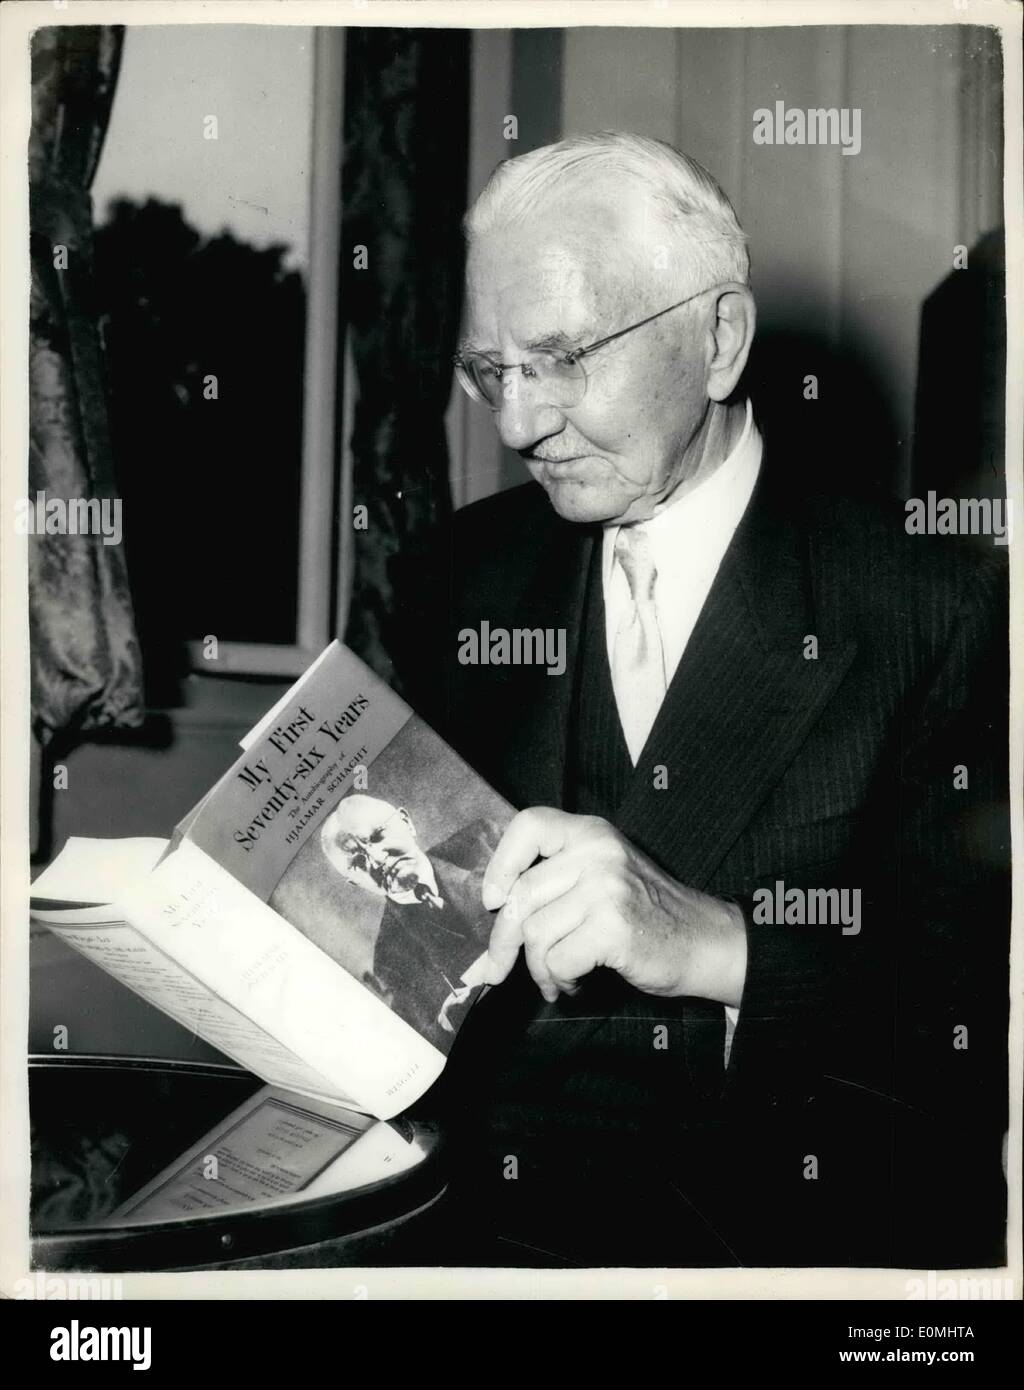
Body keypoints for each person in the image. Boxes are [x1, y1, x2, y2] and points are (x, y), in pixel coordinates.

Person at [425, 132, 1009, 1267]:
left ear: (719, 339)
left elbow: (975, 1015)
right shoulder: (463, 572)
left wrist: (714, 945)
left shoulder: (940, 604)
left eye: (560, 358)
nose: (514, 425)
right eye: (488, 370)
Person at [320, 794, 500, 1051]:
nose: (377, 860)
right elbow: (435, 1043)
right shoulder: (389, 961)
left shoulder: (486, 842)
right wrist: (446, 1025)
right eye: (358, 862)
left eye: (377, 836)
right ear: (356, 883)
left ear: (406, 823)